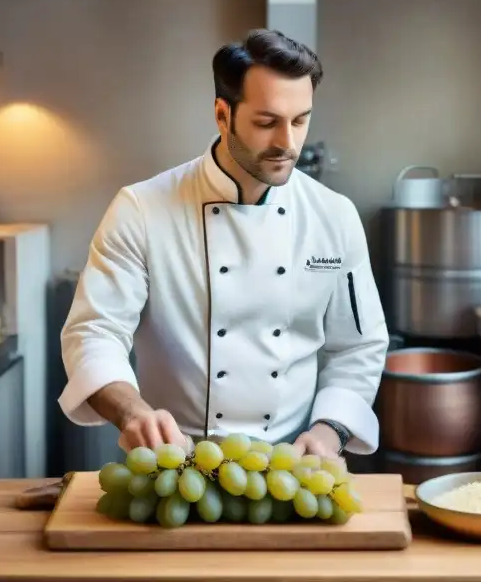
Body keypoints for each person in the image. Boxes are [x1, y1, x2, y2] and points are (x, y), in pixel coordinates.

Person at [58, 28, 389, 461]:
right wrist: (133, 412)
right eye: (267, 122)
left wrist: (330, 432)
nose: (287, 144)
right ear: (222, 114)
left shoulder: (334, 215)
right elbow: (94, 332)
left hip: (293, 465)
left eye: (300, 120)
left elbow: (358, 346)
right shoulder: (141, 209)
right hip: (175, 465)